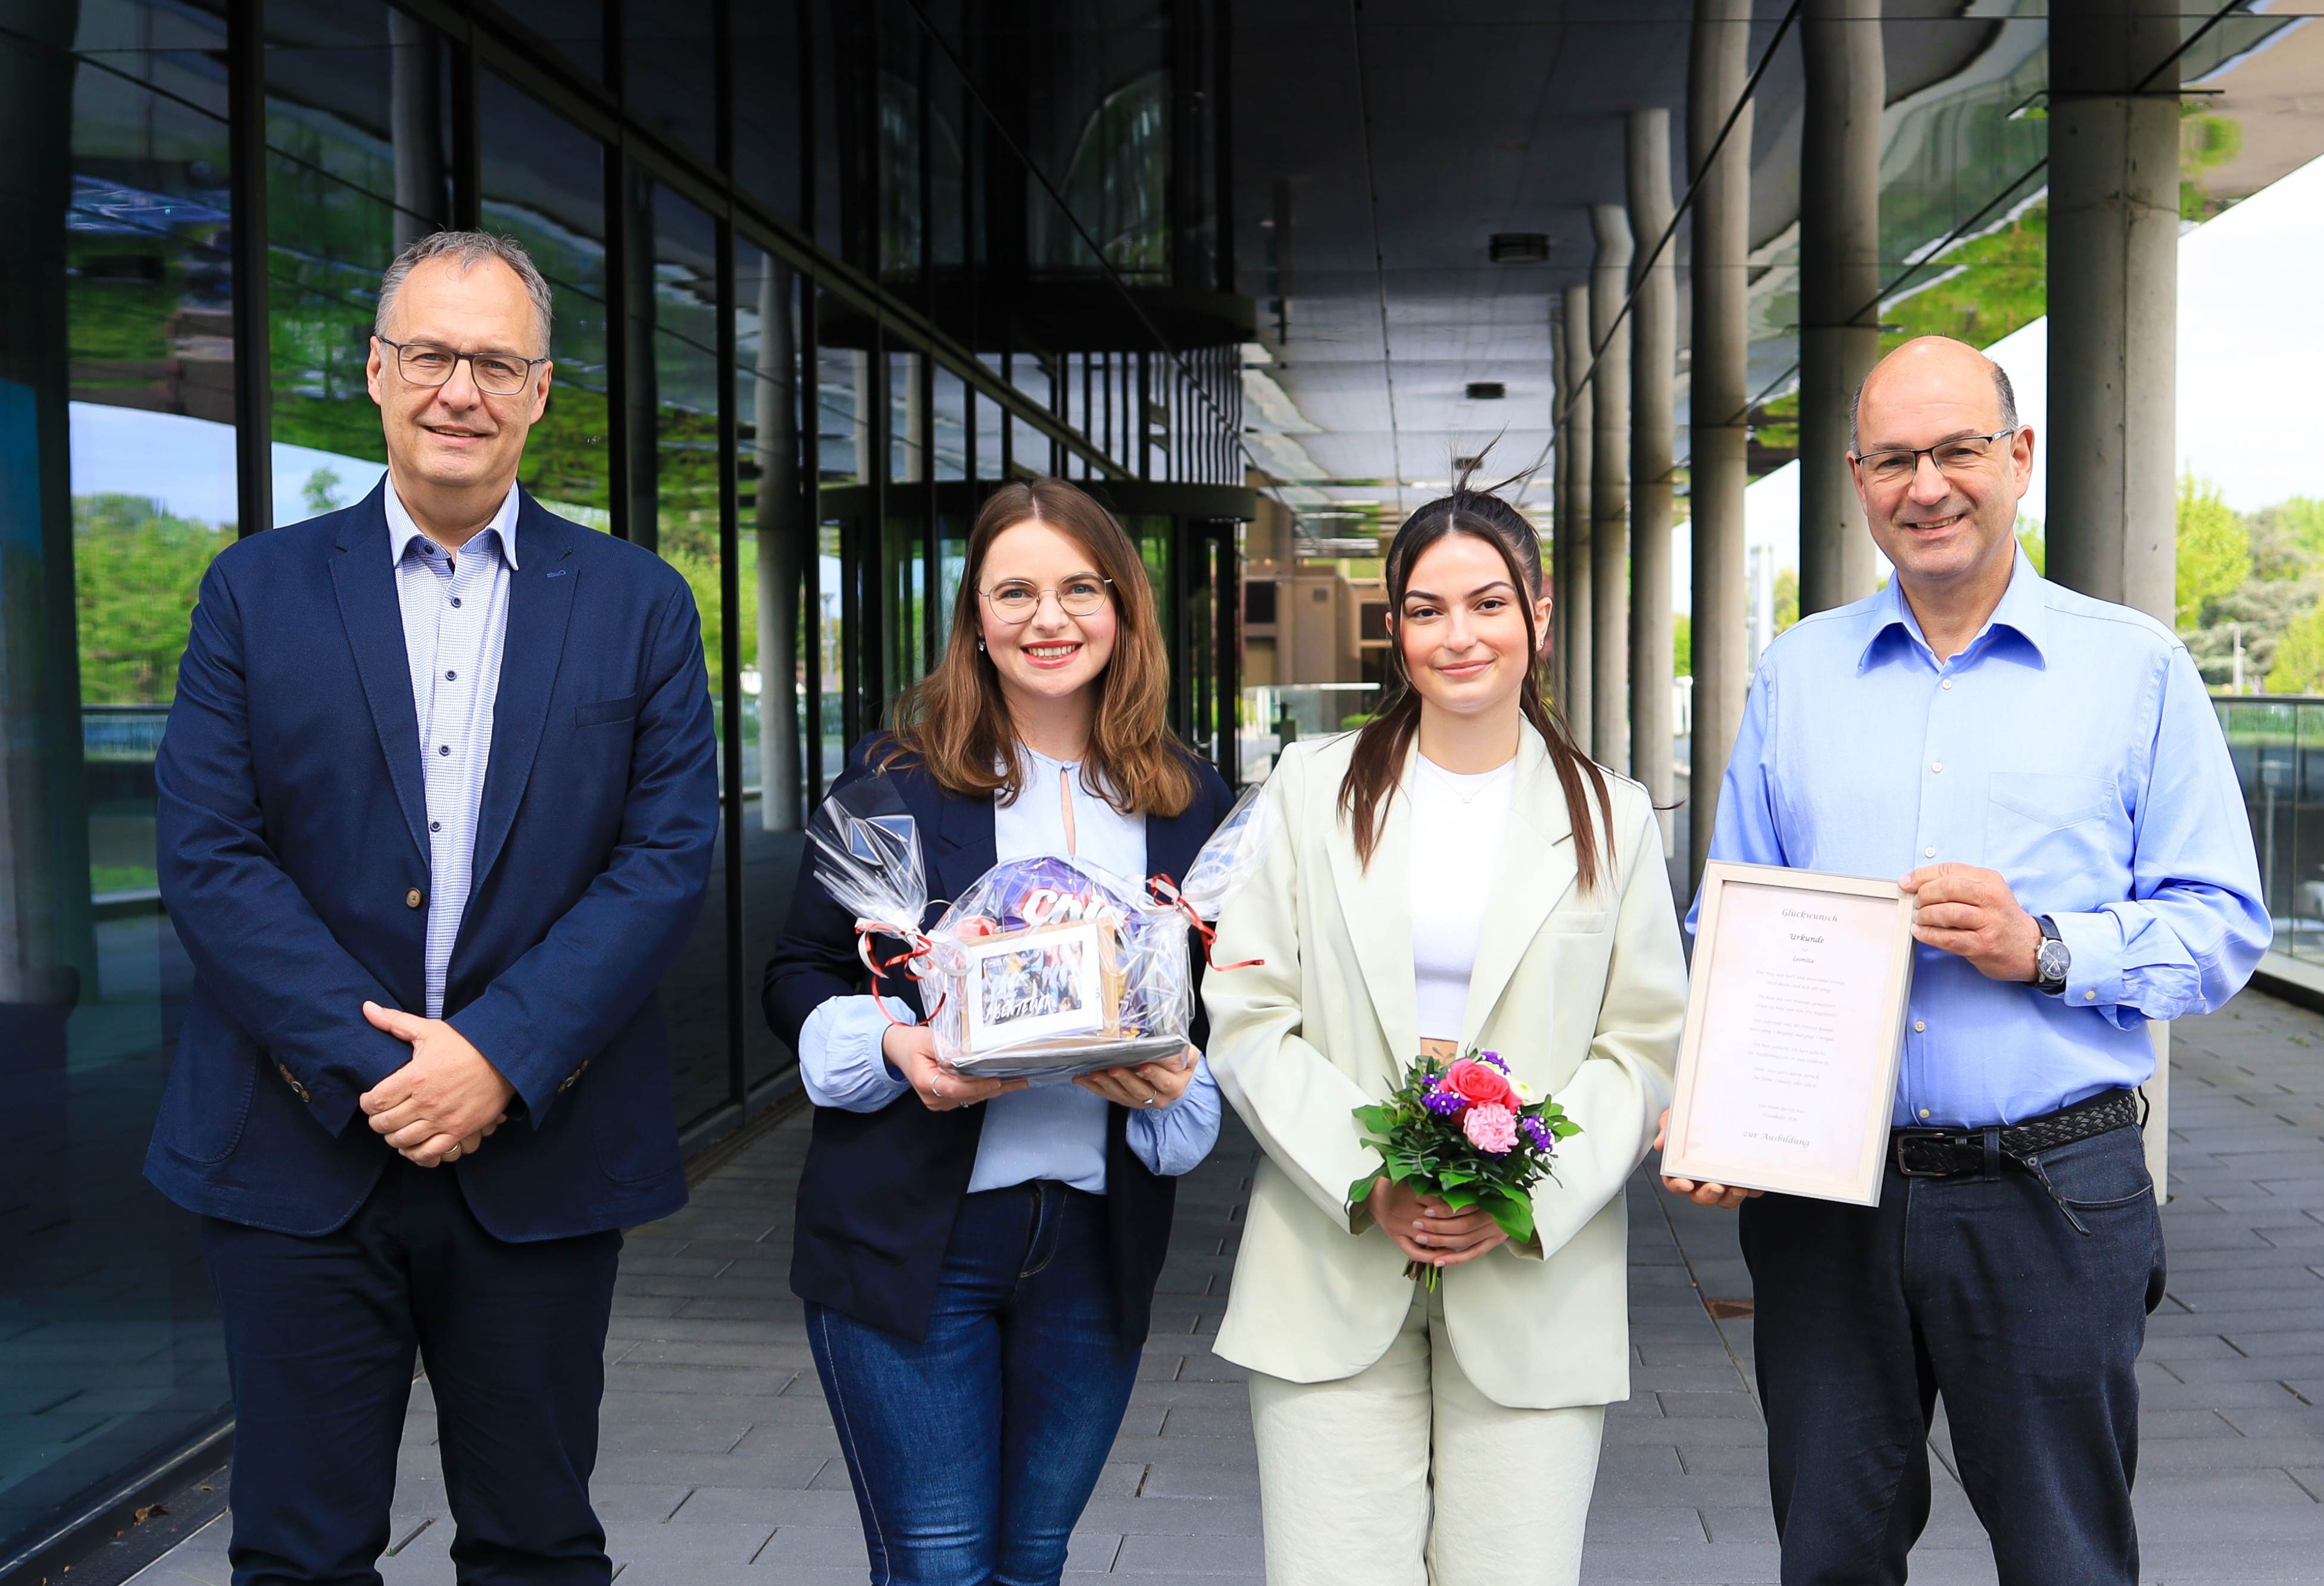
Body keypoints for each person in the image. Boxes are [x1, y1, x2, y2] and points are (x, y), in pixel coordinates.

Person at [146, 230, 719, 1584]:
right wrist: (389, 1069)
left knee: (535, 1545)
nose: (459, 387)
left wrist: (498, 1061)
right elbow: (212, 853)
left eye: (494, 362)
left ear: (540, 390)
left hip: (542, 1154)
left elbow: (663, 857)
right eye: (431, 355)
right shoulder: (255, 590)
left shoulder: (639, 604)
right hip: (296, 1156)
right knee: (296, 1550)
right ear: (376, 371)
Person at [1672, 334, 2270, 1585]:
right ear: (1854, 477)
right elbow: (1723, 928)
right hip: (1824, 1205)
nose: (1925, 485)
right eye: (1893, 458)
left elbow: (2221, 923)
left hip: (2051, 1191)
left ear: (2019, 457)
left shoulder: (2134, 669)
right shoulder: (1798, 676)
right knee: (1829, 1553)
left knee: (2067, 1561)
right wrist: (1722, 1112)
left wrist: (2045, 946)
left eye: (1955, 450)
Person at [1201, 476, 1688, 1586]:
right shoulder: (1309, 789)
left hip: (1532, 1281)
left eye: (1487, 603)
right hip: (1330, 1270)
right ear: (1395, 627)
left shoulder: (1609, 814)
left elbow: (1643, 1042)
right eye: (1425, 608)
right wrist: (1367, 1176)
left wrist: (1527, 1195)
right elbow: (1248, 1008)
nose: (1456, 634)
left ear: (1538, 617)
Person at [764, 477, 1238, 1586]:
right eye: (1013, 591)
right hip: (910, 1241)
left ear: (1123, 606)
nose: (1048, 617)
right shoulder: (896, 779)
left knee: (1031, 1564)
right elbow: (798, 970)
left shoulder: (1187, 799)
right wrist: (897, 1048)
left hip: (1093, 1246)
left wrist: (1175, 1079)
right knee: (937, 1570)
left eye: (1080, 587)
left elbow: (1213, 1006)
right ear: (974, 618)